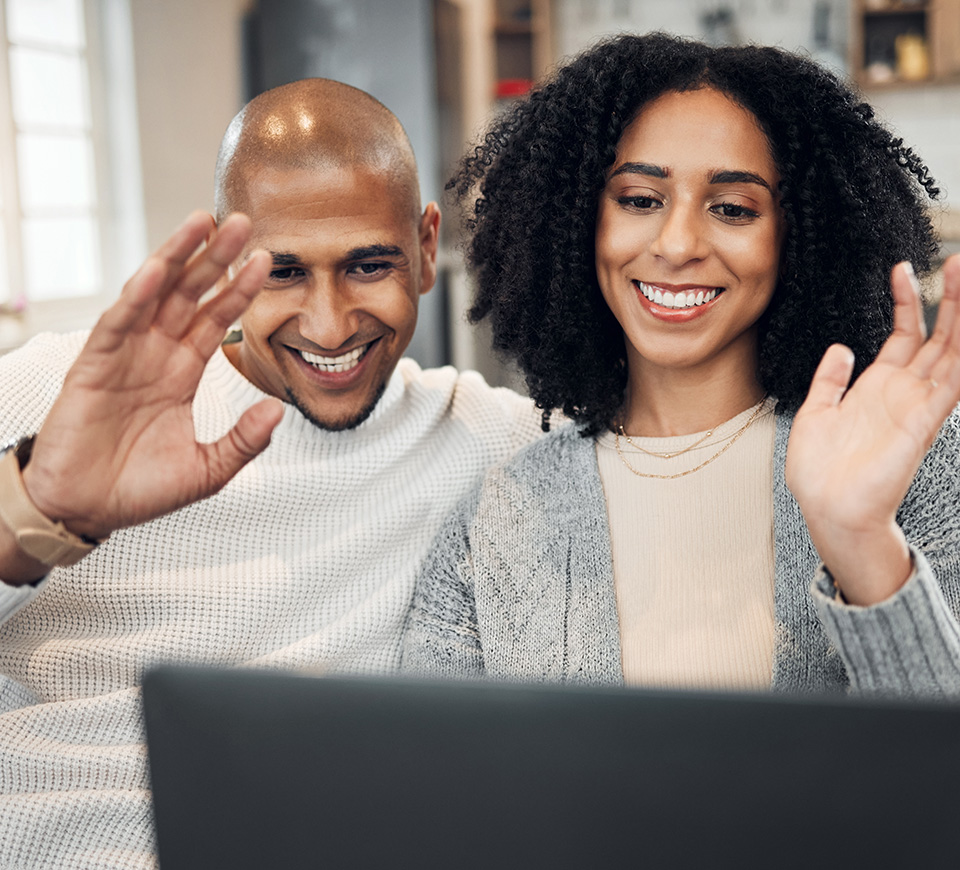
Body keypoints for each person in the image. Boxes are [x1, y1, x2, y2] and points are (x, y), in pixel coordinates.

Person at [0, 79, 542, 868]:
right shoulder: (59, 389)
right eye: (282, 273)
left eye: (367, 265)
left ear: (428, 248)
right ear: (226, 259)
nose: (328, 324)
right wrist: (37, 510)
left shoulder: (487, 440)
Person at [403, 33, 960, 695]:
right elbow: (440, 781)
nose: (677, 244)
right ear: (580, 219)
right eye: (639, 199)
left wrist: (862, 542)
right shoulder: (494, 518)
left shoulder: (908, 468)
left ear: (800, 237)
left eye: (732, 209)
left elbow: (935, 780)